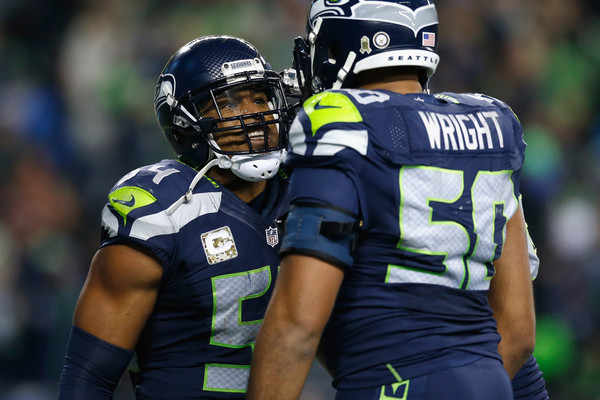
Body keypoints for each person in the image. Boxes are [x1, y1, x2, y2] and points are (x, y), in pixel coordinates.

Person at [247, 1, 546, 399]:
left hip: (390, 381)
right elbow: (520, 332)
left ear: (339, 44)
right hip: (490, 380)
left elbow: (297, 327)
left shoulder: (342, 122)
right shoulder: (495, 122)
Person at [57, 35, 294, 399]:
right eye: (229, 104)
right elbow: (89, 377)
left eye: (260, 98)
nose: (255, 116)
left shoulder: (306, 193)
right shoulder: (163, 209)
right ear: (185, 123)